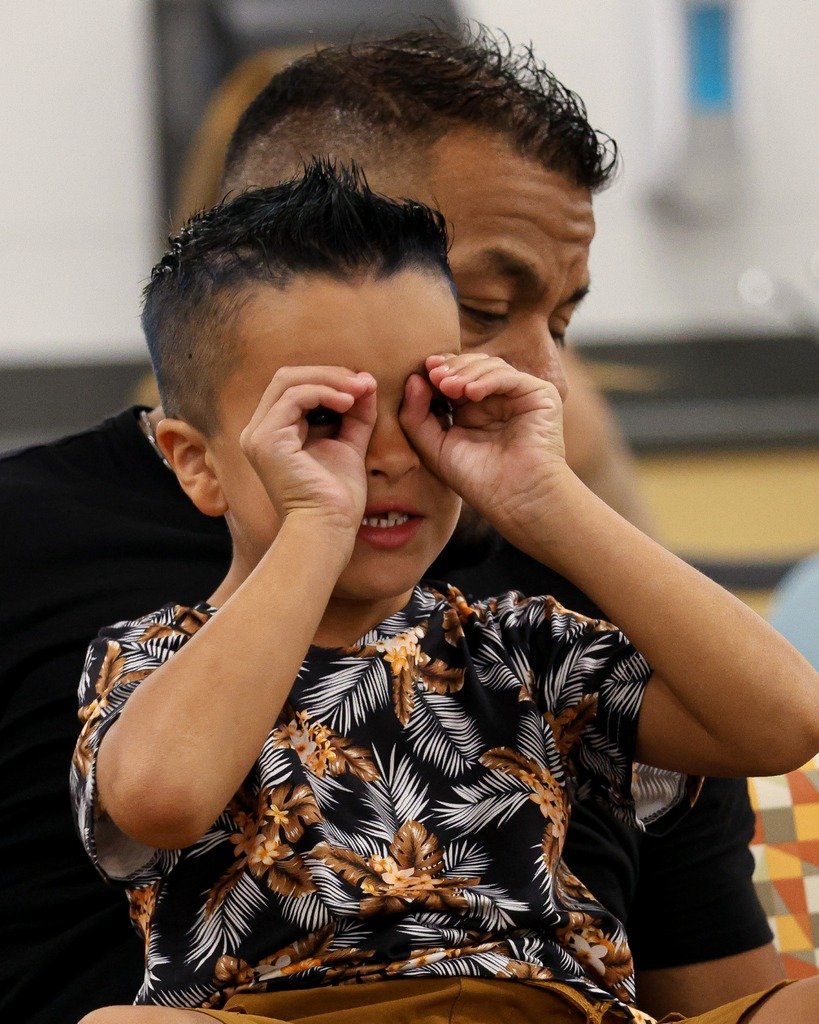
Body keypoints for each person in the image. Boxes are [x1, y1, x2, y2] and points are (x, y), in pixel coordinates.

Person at [0, 29, 786, 1024]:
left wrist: (569, 500)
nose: (541, 374)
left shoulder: (558, 612)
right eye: (482, 309)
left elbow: (775, 751)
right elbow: (157, 798)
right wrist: (313, 530)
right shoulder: (61, 570)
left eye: (564, 322)